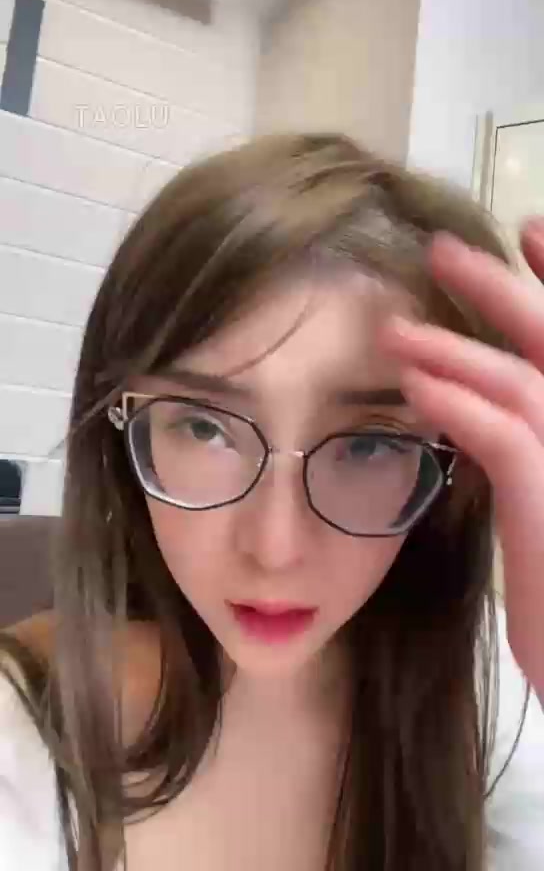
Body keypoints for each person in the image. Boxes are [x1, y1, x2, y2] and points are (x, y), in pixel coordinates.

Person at [1, 133, 543, 871]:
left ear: (455, 468)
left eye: (369, 444)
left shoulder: (484, 681)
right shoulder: (24, 738)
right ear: (120, 429)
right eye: (205, 427)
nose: (276, 548)